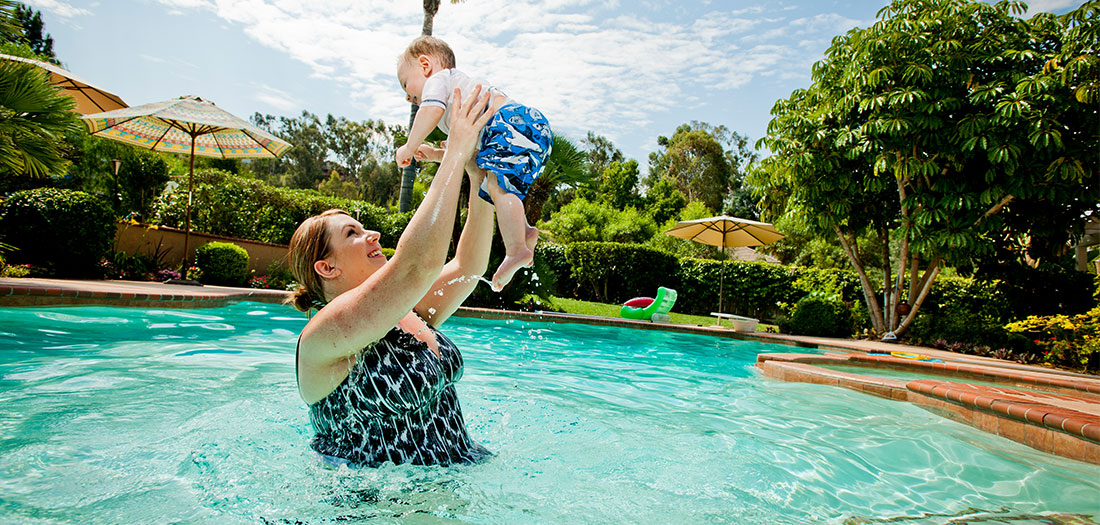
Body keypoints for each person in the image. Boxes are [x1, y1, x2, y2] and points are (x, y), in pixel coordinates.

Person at [288, 86, 506, 468]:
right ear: (326, 267)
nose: (371, 234)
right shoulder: (322, 337)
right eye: (352, 234)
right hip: (372, 506)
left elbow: (468, 268)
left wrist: (478, 178)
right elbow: (414, 266)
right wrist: (454, 150)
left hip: (453, 487)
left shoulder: (407, 311)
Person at [394, 35, 553, 292]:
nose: (407, 97)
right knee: (499, 186)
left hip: (510, 122)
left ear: (425, 65)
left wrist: (409, 146)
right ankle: (525, 232)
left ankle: (515, 250)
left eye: (405, 84)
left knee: (497, 187)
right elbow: (464, 151)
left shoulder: (438, 80)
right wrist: (435, 153)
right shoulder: (457, 99)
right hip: (524, 126)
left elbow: (429, 111)